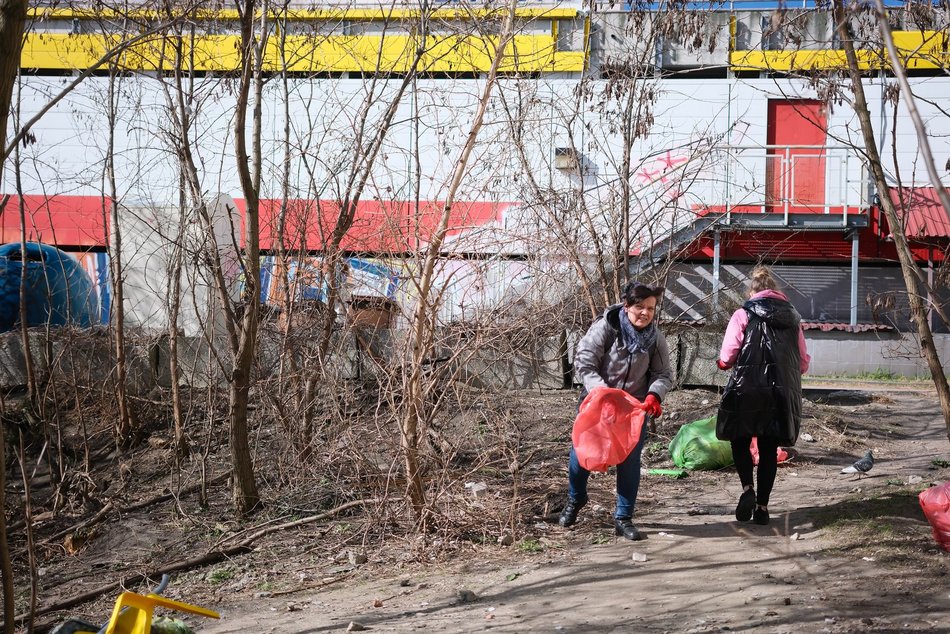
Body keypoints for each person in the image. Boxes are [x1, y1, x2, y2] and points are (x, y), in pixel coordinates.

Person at [559, 281, 674, 541]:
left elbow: (663, 374)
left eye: (651, 308)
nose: (645, 313)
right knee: (582, 454)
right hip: (597, 402)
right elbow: (584, 362)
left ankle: (623, 518)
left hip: (631, 410)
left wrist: (655, 395)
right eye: (640, 307)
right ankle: (576, 499)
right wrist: (603, 393)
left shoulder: (655, 338)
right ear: (626, 306)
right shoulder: (606, 327)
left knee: (629, 460)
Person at [716, 265, 810, 526]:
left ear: (752, 292)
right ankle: (762, 508)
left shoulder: (743, 314)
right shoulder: (793, 319)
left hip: (746, 388)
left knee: (739, 439)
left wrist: (723, 363)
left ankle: (748, 489)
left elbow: (728, 354)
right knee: (769, 448)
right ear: (777, 291)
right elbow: (802, 362)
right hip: (779, 391)